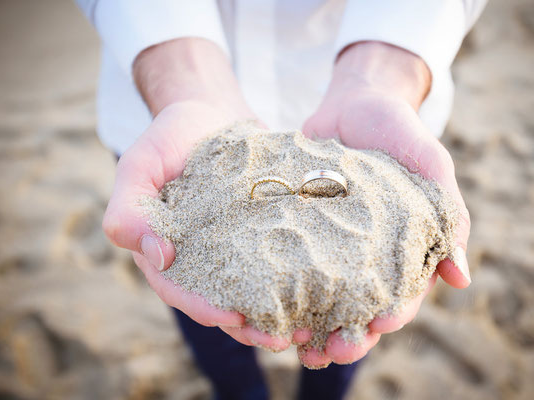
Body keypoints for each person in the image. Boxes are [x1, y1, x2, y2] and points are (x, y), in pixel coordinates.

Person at [76, 1, 486, 399]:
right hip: (174, 129)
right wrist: (179, 73)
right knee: (208, 303)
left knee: (355, 308)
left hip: (373, 131)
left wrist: (385, 69)